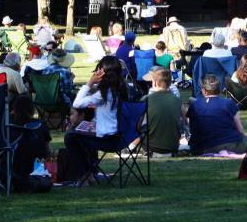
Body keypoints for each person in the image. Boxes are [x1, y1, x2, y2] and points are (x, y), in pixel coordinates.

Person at [63, 56, 129, 185]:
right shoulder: (123, 89)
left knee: (70, 137)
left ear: (101, 72)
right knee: (83, 132)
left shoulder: (103, 95)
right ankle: (91, 174)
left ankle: (84, 176)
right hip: (123, 136)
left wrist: (89, 83)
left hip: (109, 139)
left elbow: (77, 103)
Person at [187, 74, 247, 155]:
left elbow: (192, 129)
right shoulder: (228, 103)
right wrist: (244, 141)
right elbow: (240, 129)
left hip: (201, 148)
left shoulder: (195, 105)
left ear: (204, 90)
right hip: (230, 145)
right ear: (219, 89)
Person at [140, 66, 182, 156]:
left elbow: (139, 125)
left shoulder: (146, 99)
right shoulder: (177, 101)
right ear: (170, 82)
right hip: (173, 146)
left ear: (154, 82)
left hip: (151, 146)